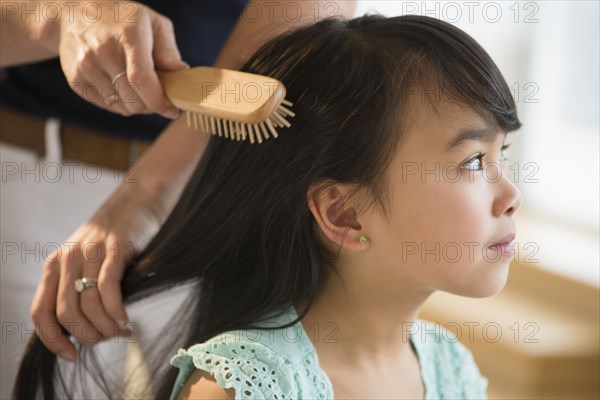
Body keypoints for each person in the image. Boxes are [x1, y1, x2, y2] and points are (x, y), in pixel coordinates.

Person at [14, 13, 523, 399]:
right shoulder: (247, 385)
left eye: (504, 154)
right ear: (344, 215)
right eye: (475, 162)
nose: (512, 196)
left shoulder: (446, 365)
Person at [0, 0, 356, 368]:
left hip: (216, 201)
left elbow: (306, 30)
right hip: (30, 181)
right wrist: (55, 18)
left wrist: (145, 196)